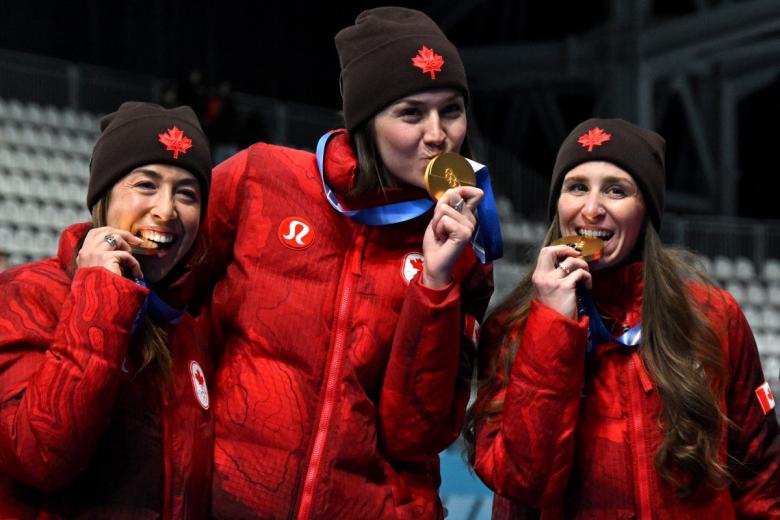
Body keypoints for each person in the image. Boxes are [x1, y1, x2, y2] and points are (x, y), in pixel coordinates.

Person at [201, 7, 496, 519]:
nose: (438, 135)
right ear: (365, 121)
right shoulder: (260, 181)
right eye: (411, 113)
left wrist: (434, 282)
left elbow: (416, 434)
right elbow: (162, 286)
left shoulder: (464, 247)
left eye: (451, 110)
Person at [466, 118, 780, 518]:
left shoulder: (712, 316)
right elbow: (520, 480)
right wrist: (552, 326)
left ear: (644, 210)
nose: (592, 209)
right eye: (577, 187)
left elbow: (762, 478)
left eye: (616, 190)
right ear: (558, 204)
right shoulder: (511, 328)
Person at [0, 102, 214, 518]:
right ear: (103, 195)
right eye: (146, 185)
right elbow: (39, 455)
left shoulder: (187, 331)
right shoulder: (25, 294)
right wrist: (101, 295)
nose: (166, 210)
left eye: (186, 193)